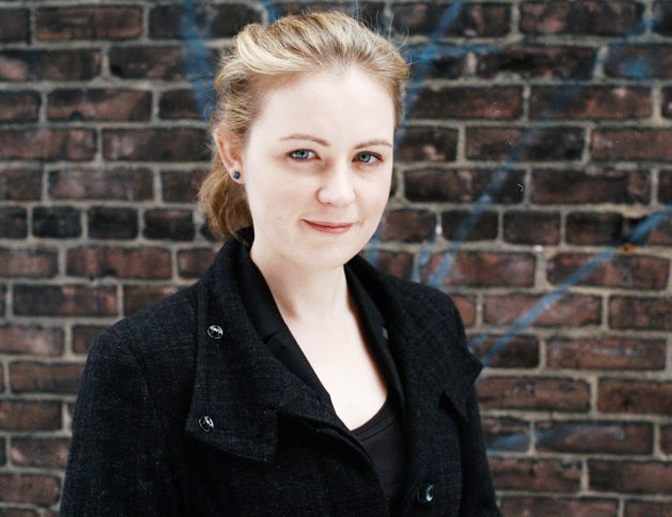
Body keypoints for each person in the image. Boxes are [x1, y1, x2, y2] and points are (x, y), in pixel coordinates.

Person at [61, 11, 500, 516]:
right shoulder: (144, 364)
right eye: (303, 154)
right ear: (233, 153)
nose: (339, 194)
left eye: (367, 157)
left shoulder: (431, 322)